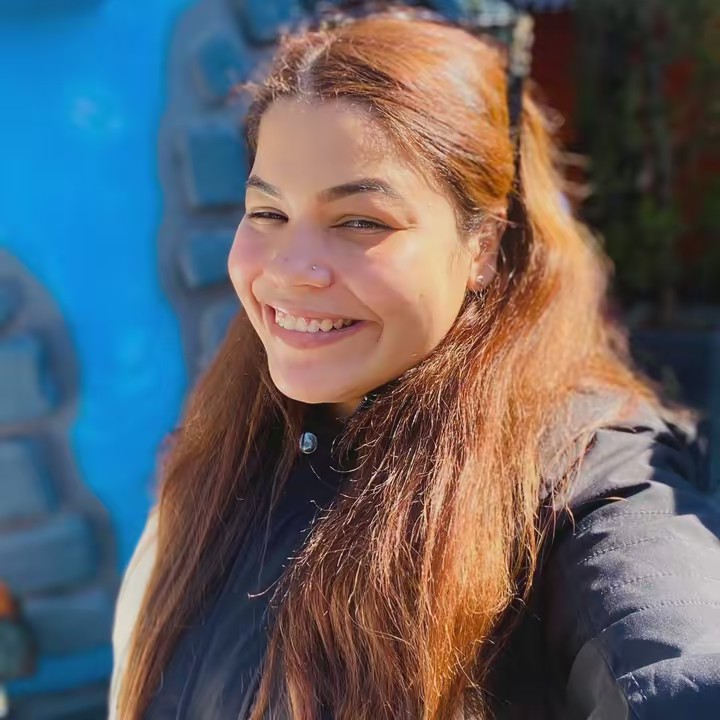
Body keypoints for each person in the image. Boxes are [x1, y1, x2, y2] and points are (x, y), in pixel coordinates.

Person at [109, 7, 720, 720]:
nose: (291, 270)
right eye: (268, 213)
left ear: (482, 247)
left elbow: (678, 660)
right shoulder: (229, 444)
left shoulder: (575, 480)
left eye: (360, 221)